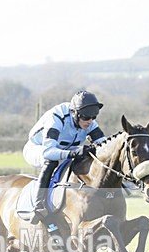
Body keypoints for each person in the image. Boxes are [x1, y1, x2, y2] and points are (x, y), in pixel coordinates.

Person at [23, 90, 106, 222]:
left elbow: (104, 146)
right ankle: (38, 206)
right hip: (38, 148)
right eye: (86, 117)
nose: (90, 121)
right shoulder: (57, 118)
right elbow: (48, 152)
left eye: (94, 117)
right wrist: (73, 153)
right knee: (51, 161)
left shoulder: (88, 121)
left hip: (64, 149)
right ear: (75, 113)